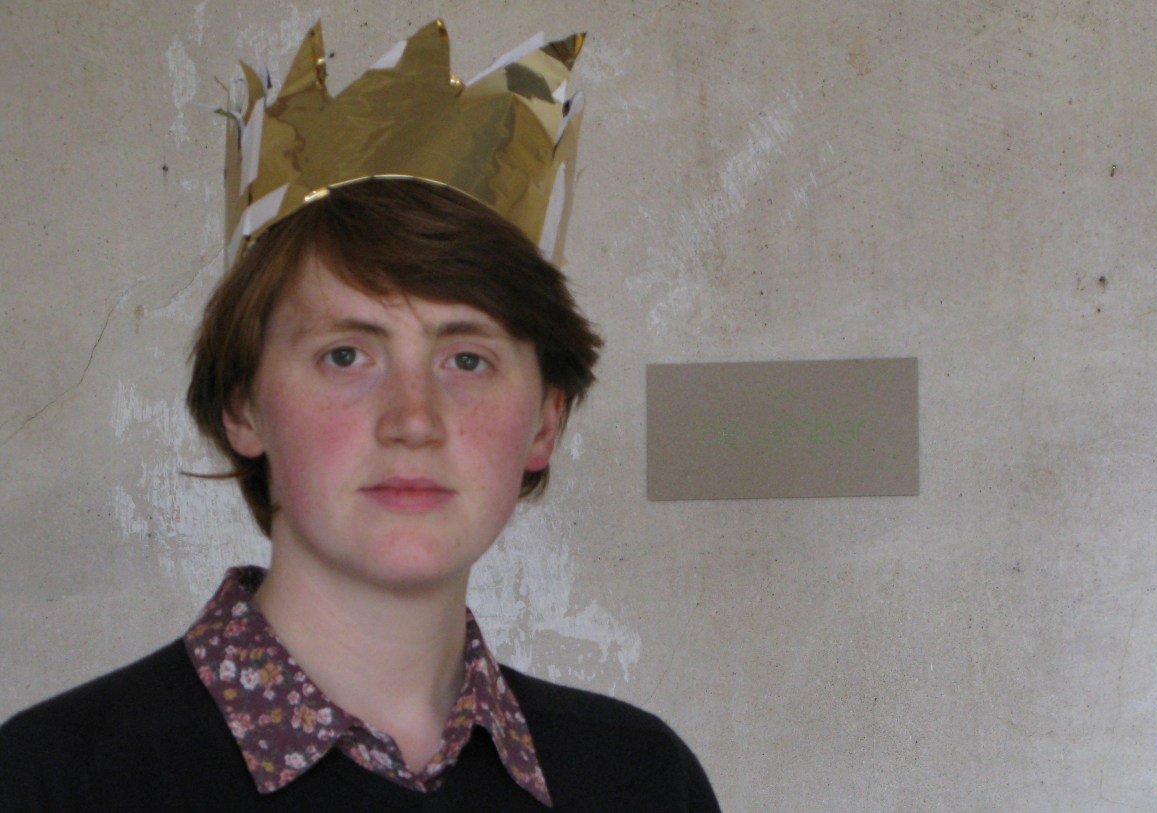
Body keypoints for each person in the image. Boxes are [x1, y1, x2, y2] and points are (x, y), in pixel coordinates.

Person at [0, 21, 721, 813]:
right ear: (243, 405)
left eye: (467, 359)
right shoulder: (52, 781)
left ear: (544, 422)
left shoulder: (641, 780)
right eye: (346, 354)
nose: (413, 420)